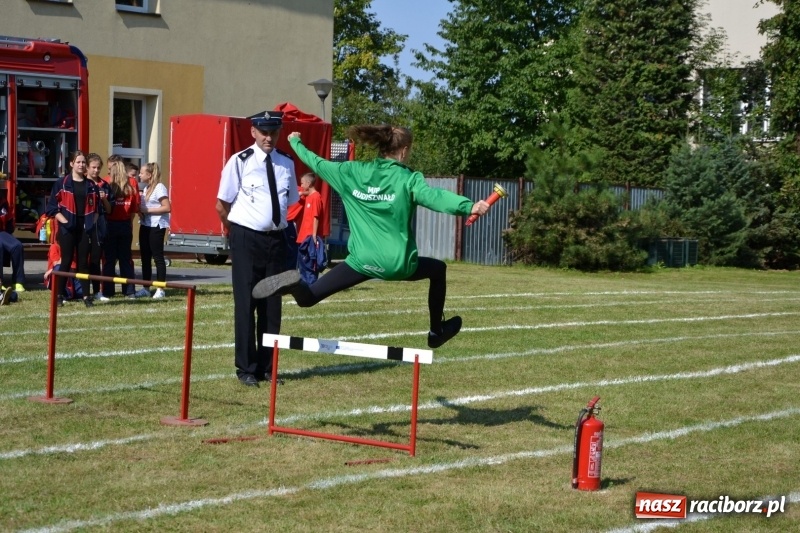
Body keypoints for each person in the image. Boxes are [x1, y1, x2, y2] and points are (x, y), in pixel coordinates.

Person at [252, 125, 490, 349]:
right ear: (404, 150)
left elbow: (317, 162)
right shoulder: (407, 179)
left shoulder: (350, 172)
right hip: (397, 264)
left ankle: (295, 284)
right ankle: (436, 332)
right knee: (438, 270)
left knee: (308, 298)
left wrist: (296, 142)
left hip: (361, 261)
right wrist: (468, 206)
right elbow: (434, 196)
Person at [215, 110, 299, 387]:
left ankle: (267, 367)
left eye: (274, 132)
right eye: (264, 132)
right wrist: (237, 232)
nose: (269, 137)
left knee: (272, 306)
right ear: (253, 132)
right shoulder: (240, 162)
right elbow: (222, 204)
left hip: (276, 239)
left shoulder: (286, 162)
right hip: (247, 238)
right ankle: (246, 368)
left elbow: (290, 202)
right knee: (246, 304)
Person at [45, 150, 100, 308]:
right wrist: (66, 222)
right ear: (71, 164)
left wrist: (90, 224)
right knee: (66, 261)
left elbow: (97, 209)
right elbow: (52, 208)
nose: (81, 165)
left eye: (83, 162)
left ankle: (86, 297)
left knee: (84, 263)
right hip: (68, 228)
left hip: (84, 228)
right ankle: (59, 295)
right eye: (78, 162)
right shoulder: (61, 183)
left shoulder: (91, 185)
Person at [102, 159, 140, 298]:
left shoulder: (106, 181)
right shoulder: (132, 183)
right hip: (124, 224)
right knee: (126, 259)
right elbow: (134, 208)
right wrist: (129, 224)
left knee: (109, 259)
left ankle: (107, 291)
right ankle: (129, 291)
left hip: (110, 224)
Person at [136, 162, 171, 299]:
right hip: (145, 225)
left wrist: (147, 210)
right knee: (145, 257)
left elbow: (167, 207)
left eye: (142, 172)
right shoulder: (146, 188)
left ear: (149, 175)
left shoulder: (159, 187)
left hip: (157, 226)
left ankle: (160, 288)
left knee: (157, 257)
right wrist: (141, 212)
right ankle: (146, 287)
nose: (139, 175)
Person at [86, 153, 113, 301]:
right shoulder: (82, 183)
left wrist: (103, 199)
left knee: (96, 259)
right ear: (87, 168)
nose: (96, 171)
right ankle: (80, 291)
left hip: (100, 224)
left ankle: (97, 291)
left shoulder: (105, 185)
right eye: (93, 167)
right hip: (84, 223)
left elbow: (109, 210)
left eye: (98, 168)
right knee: (83, 259)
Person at [295, 172, 325, 284]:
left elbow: (315, 217)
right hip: (303, 237)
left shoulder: (316, 197)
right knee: (302, 263)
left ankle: (311, 286)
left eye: (302, 183)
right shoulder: (309, 196)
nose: (301, 185)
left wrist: (314, 236)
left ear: (308, 183)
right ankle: (304, 285)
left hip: (309, 238)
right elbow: (302, 193)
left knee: (309, 264)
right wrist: (302, 192)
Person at [0, 181, 26, 294]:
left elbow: (9, 221)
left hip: (2, 232)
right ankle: (0, 283)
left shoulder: (3, 201)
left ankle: (18, 281)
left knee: (17, 246)